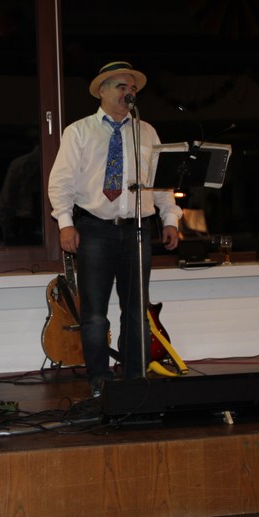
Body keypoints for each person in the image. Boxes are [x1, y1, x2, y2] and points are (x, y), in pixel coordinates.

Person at [47, 61, 182, 397]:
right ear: (102, 91)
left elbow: (160, 180)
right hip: (94, 229)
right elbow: (60, 183)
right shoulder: (79, 131)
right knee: (94, 314)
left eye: (132, 88)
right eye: (122, 86)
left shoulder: (146, 132)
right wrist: (65, 223)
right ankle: (100, 381)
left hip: (138, 230)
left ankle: (135, 381)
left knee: (136, 311)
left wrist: (170, 218)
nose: (129, 93)